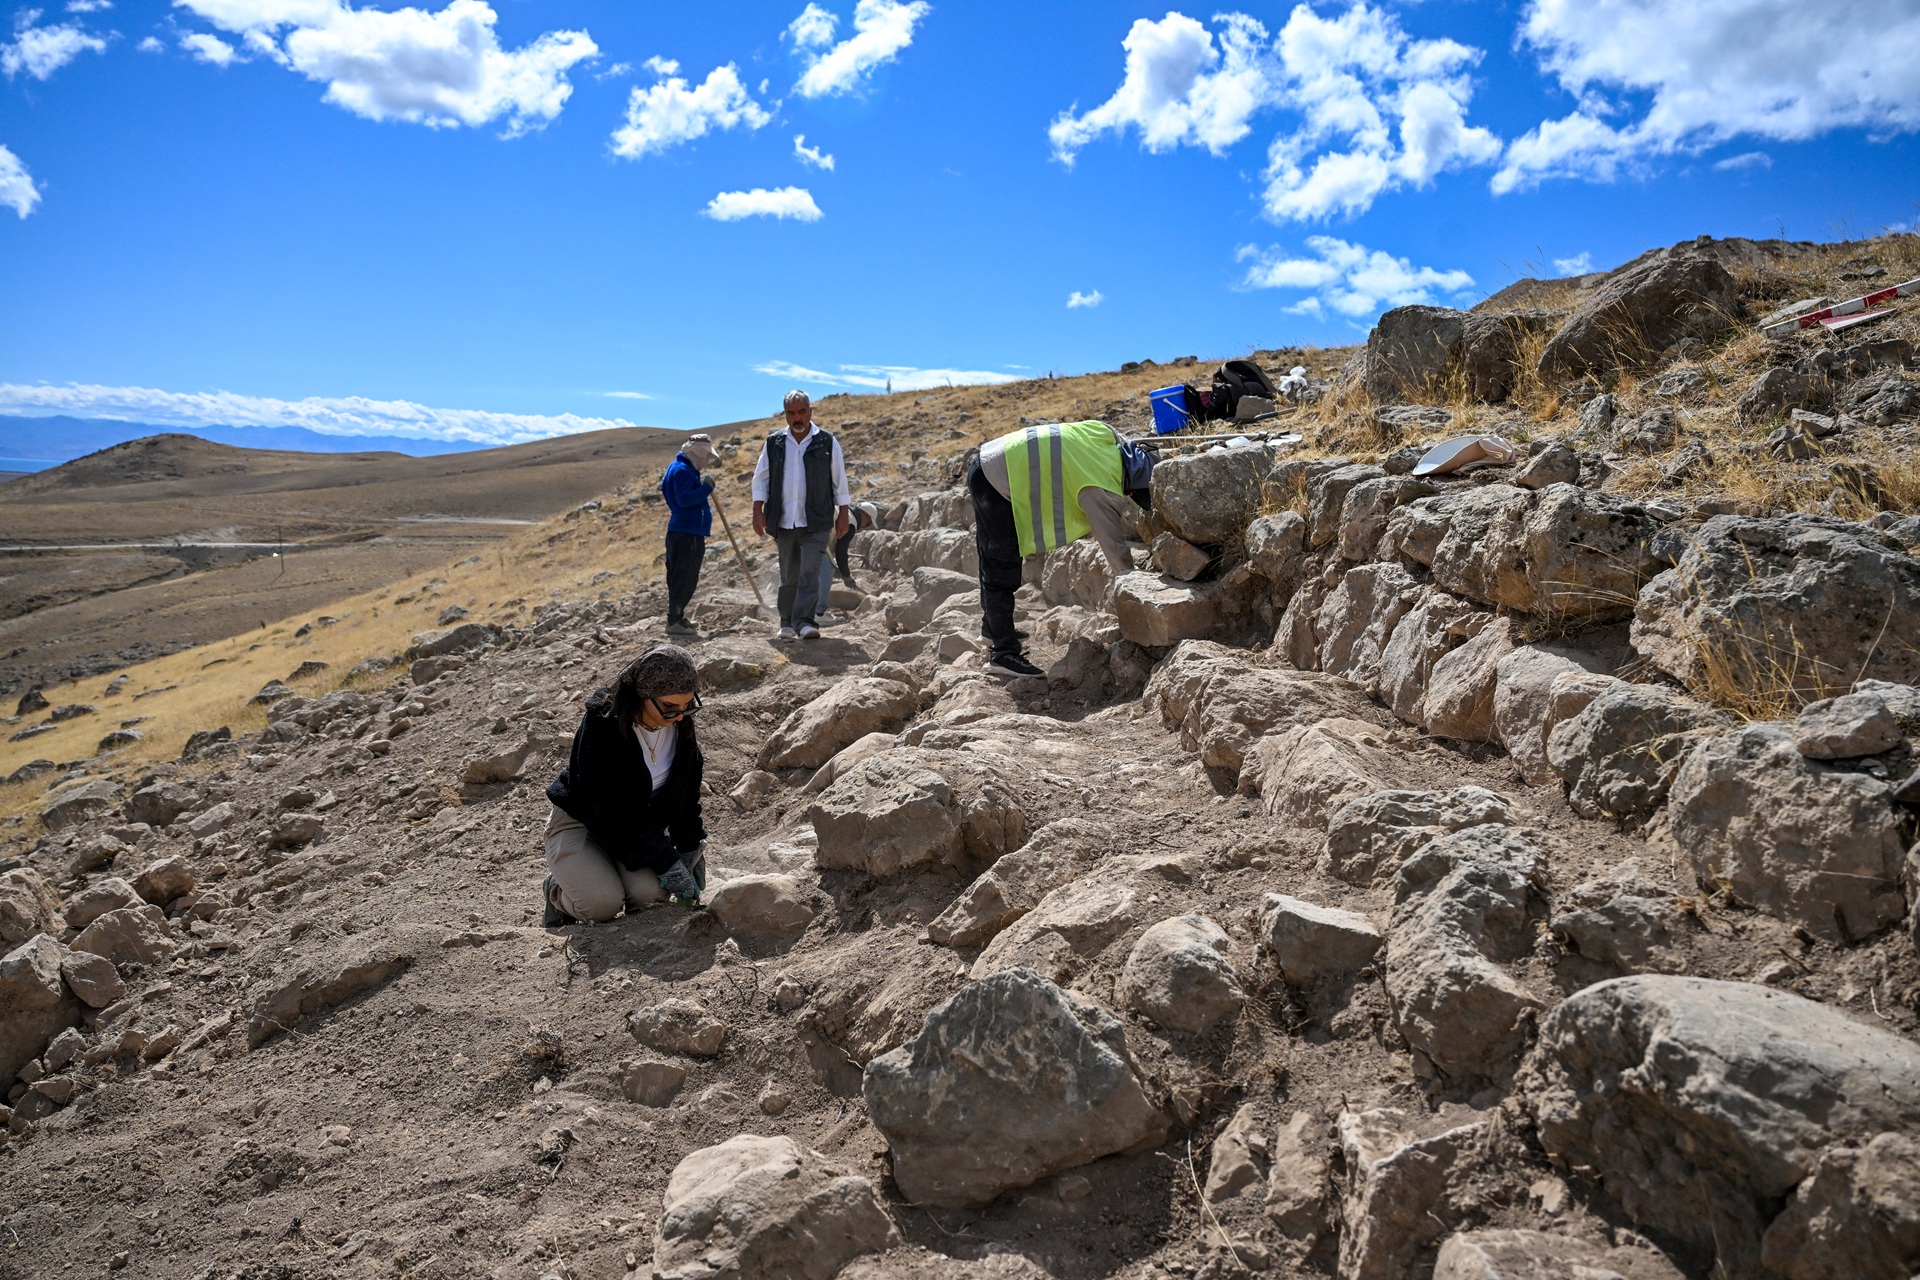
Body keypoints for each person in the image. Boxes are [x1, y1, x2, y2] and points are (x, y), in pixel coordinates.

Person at [968, 420, 1154, 677]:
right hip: (996, 478)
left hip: (993, 456)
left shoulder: (1106, 436)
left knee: (990, 556)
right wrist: (1138, 590)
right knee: (1001, 563)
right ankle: (1003, 653)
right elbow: (1114, 549)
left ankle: (993, 628)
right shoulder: (1099, 488)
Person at [541, 645, 708, 925]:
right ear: (641, 694)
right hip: (583, 822)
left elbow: (687, 798)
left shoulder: (680, 725)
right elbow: (610, 814)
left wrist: (691, 848)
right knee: (601, 905)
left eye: (687, 706)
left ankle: (604, 875)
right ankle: (557, 893)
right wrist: (665, 860)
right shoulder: (602, 726)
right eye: (669, 708)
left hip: (635, 831)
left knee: (650, 896)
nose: (678, 717)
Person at [751, 390, 851, 641]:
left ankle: (805, 621)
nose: (797, 418)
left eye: (801, 412)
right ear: (785, 414)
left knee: (809, 570)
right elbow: (761, 478)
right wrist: (757, 510)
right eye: (791, 413)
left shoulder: (826, 442)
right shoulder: (774, 443)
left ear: (810, 411)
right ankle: (786, 621)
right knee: (789, 574)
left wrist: (843, 514)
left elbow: (839, 481)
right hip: (784, 520)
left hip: (816, 520)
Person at [660, 434, 716, 637]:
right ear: (698, 453)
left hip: (681, 530)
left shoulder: (677, 467)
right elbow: (685, 500)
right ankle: (674, 621)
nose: (706, 461)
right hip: (687, 532)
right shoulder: (683, 470)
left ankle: (678, 617)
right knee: (685, 577)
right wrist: (706, 488)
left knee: (679, 576)